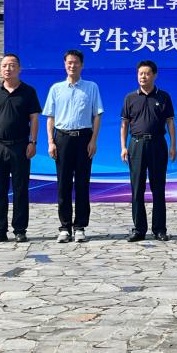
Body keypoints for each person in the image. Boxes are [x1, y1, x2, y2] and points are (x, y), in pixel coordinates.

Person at [43, 49, 103, 244]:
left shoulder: (91, 87)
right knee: (63, 184)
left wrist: (93, 140)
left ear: (81, 65)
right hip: (62, 138)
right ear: (65, 64)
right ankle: (65, 227)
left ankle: (80, 227)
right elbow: (50, 117)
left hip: (84, 138)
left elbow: (97, 115)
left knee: (83, 184)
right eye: (69, 62)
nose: (72, 65)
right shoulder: (56, 89)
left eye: (76, 62)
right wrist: (51, 142)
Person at [0, 54, 41, 243]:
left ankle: (20, 229)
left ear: (19, 69)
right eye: (4, 65)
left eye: (12, 65)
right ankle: (0, 229)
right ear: (1, 69)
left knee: (20, 189)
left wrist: (33, 142)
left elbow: (34, 118)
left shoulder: (28, 92)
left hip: (20, 146)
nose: (8, 69)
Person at [120, 60, 176, 242]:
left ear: (154, 75)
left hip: (158, 144)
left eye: (147, 73)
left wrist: (173, 145)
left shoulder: (163, 97)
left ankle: (159, 229)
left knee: (158, 187)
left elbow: (170, 122)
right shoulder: (130, 98)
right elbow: (124, 124)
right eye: (140, 74)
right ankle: (139, 229)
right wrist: (123, 146)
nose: (143, 77)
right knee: (137, 188)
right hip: (136, 144)